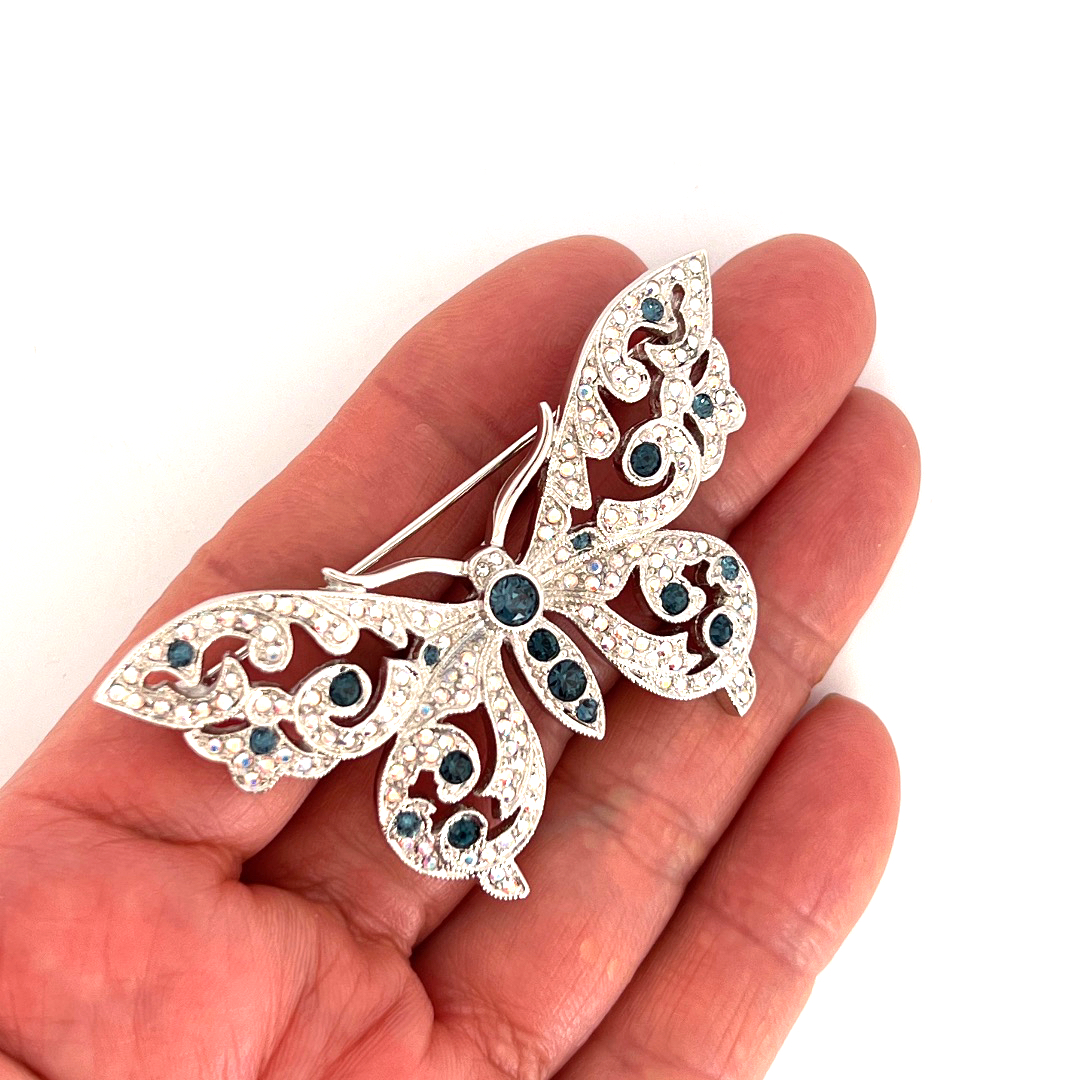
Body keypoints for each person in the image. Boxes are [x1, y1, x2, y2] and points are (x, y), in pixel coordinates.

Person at [0, 234, 919, 1079]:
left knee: (607, 659)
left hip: (524, 615)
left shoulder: (433, 600)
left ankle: (712, 662)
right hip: (562, 595)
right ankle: (668, 691)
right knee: (630, 638)